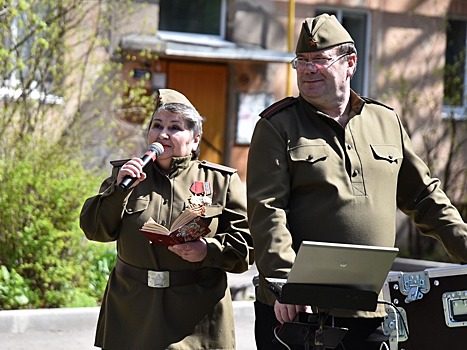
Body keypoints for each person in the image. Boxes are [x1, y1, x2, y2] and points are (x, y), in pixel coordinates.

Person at [246, 13, 467, 350]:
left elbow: (423, 196)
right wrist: (285, 282)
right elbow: (267, 210)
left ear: (350, 63)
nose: (307, 69)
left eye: (319, 60)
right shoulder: (278, 126)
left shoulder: (385, 120)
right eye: (301, 61)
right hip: (300, 309)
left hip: (370, 306)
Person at [80, 89, 253, 350]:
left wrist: (208, 250)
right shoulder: (125, 176)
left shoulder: (219, 181)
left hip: (196, 313)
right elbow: (95, 230)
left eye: (174, 128)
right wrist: (119, 190)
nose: (162, 134)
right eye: (157, 125)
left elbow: (247, 247)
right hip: (133, 307)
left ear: (195, 140)